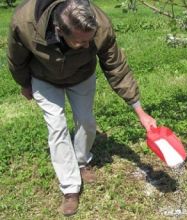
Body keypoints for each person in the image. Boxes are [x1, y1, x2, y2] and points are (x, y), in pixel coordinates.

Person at [7, 0, 157, 216]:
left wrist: (139, 110)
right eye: (80, 41)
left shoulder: (100, 25)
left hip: (81, 75)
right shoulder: (24, 22)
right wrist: (24, 83)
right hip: (43, 77)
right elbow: (16, 57)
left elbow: (116, 66)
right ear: (59, 30)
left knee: (86, 121)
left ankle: (81, 162)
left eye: (89, 40)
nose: (88, 45)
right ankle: (70, 188)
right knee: (57, 127)